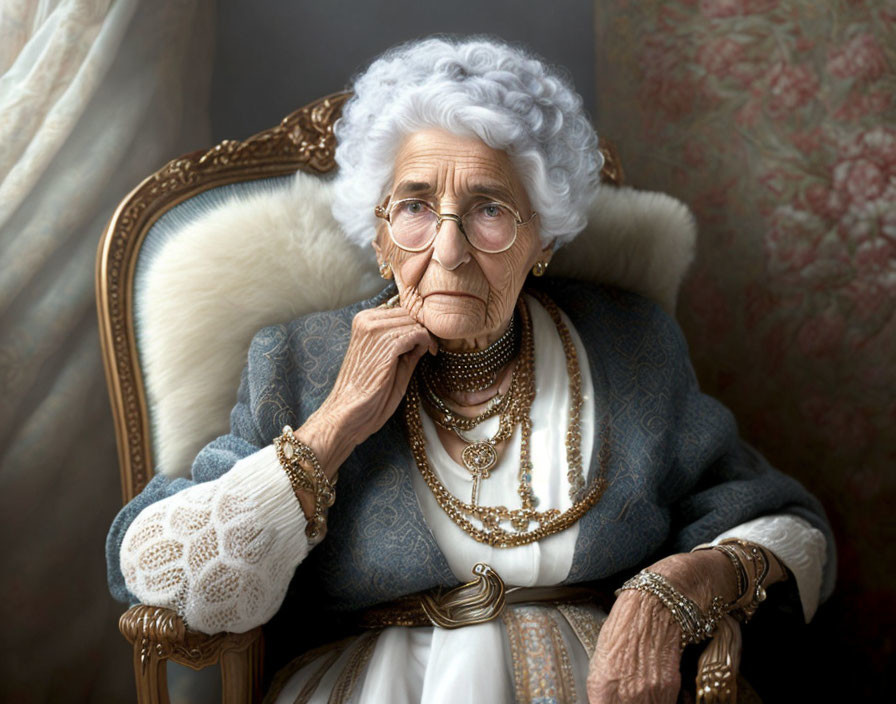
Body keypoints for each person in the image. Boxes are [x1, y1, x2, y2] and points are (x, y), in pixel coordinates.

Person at [106, 36, 834, 703]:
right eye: (416, 207)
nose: (448, 251)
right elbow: (160, 573)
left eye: (488, 209)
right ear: (382, 236)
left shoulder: (628, 344)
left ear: (541, 239)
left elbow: (787, 523)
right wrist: (332, 427)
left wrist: (677, 586)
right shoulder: (299, 359)